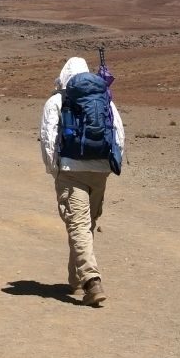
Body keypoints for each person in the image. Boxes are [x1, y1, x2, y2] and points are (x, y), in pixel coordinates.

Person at [39, 56, 125, 306]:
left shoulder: (57, 100)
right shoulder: (105, 99)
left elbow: (48, 137)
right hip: (100, 169)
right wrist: (110, 166)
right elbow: (118, 132)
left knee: (78, 225)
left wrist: (54, 169)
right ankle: (76, 279)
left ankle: (91, 281)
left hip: (71, 168)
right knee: (86, 224)